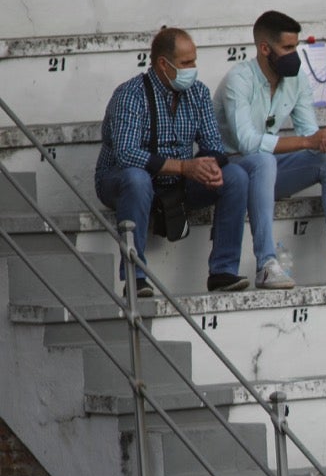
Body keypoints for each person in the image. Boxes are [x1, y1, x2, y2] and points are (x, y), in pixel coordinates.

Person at [217, 10, 326, 289]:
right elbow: (246, 143)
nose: (295, 54)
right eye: (288, 48)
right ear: (265, 48)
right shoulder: (238, 80)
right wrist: (308, 142)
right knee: (263, 161)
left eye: (296, 46)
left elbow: (307, 133)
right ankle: (266, 264)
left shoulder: (297, 78)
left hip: (269, 171)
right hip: (232, 170)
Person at [94, 25, 248, 296]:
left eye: (194, 61)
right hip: (122, 181)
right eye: (186, 63)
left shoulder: (198, 93)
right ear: (163, 65)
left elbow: (213, 145)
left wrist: (209, 166)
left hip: (176, 183)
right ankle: (135, 276)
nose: (193, 68)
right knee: (136, 178)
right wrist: (186, 167)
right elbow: (127, 154)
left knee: (235, 176)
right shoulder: (130, 94)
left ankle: (223, 271)